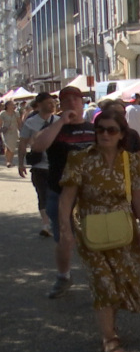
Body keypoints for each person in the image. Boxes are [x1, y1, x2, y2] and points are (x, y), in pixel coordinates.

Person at [58, 108, 140, 352]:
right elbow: (67, 199)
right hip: (90, 229)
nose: (104, 134)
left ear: (121, 134)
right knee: (102, 281)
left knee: (118, 280)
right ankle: (109, 339)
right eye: (100, 129)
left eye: (111, 130)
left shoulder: (132, 161)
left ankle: (110, 327)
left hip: (123, 228)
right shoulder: (80, 159)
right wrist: (66, 230)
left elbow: (139, 197)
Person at [32, 86, 95, 299]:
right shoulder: (55, 128)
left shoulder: (93, 129)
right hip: (59, 192)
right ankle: (63, 276)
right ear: (61, 105)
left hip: (89, 195)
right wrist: (60, 122)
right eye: (67, 100)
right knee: (64, 239)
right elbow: (38, 146)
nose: (72, 103)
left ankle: (99, 279)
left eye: (76, 99)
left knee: (94, 239)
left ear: (83, 102)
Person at [18, 92, 59, 237]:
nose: (52, 105)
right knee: (42, 194)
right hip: (39, 166)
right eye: (49, 103)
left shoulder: (59, 121)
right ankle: (46, 224)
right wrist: (20, 163)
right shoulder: (30, 122)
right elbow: (22, 143)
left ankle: (56, 221)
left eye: (53, 103)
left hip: (57, 166)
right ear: (39, 105)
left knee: (57, 195)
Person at [1, 100, 21, 167]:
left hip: (14, 132)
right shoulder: (3, 113)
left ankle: (11, 161)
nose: (14, 106)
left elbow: (19, 123)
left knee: (12, 147)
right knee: (7, 146)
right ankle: (8, 161)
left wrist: (21, 131)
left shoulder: (16, 113)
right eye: (12, 104)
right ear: (7, 106)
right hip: (6, 132)